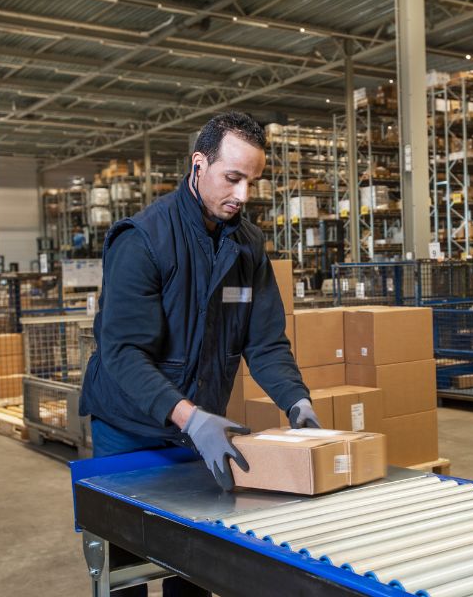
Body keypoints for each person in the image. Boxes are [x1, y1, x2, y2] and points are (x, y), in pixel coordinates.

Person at [80, 112, 319, 597]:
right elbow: (122, 352)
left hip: (196, 433)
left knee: (191, 567)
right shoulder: (144, 239)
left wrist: (297, 402)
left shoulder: (247, 247)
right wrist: (191, 418)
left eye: (252, 181)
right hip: (129, 430)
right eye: (232, 178)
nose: (243, 195)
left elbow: (265, 341)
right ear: (198, 163)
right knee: (126, 567)